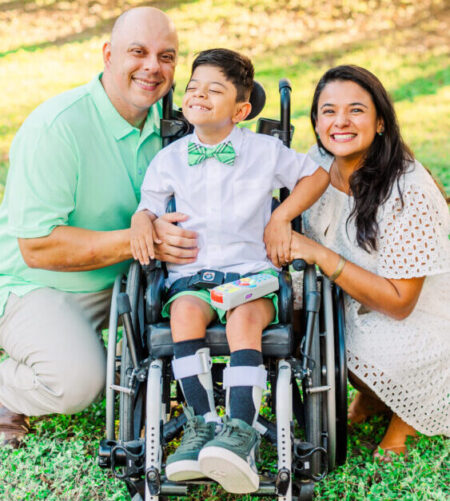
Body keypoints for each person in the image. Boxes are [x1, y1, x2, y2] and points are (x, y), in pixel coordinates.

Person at [130, 48, 330, 493]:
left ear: (241, 109)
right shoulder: (171, 158)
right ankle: (201, 424)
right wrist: (141, 220)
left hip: (250, 275)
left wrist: (281, 217)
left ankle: (239, 431)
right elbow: (148, 205)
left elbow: (315, 176)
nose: (198, 95)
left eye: (213, 90)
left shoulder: (264, 150)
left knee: (244, 320)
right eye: (193, 88)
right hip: (193, 277)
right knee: (183, 315)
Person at [0, 7, 199, 448]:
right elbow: (37, 247)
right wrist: (139, 240)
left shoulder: (174, 130)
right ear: (108, 54)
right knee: (77, 381)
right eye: (138, 52)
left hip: (124, 282)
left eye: (166, 56)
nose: (153, 67)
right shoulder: (58, 127)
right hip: (36, 284)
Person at [280, 65, 449, 460]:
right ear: (316, 122)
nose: (340, 121)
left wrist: (321, 254)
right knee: (306, 323)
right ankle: (375, 397)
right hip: (350, 302)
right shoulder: (316, 164)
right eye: (328, 111)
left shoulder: (408, 188)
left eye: (356, 110)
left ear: (380, 124)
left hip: (420, 316)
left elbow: (400, 303)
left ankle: (408, 416)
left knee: (352, 342)